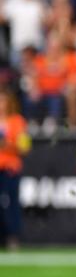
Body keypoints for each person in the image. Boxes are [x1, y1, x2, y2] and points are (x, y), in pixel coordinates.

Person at [0, 88, 30, 251]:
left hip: (10, 168)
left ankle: (13, 237)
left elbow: (24, 147)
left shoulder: (17, 121)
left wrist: (7, 145)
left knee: (11, 203)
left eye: (3, 101)